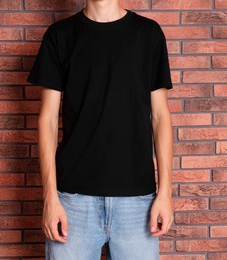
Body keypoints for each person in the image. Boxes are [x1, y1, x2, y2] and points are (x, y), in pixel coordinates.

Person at [26, 0, 174, 259]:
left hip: (137, 201)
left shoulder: (148, 34)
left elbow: (161, 117)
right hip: (73, 200)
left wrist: (165, 193)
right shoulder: (60, 36)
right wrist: (50, 197)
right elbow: (47, 120)